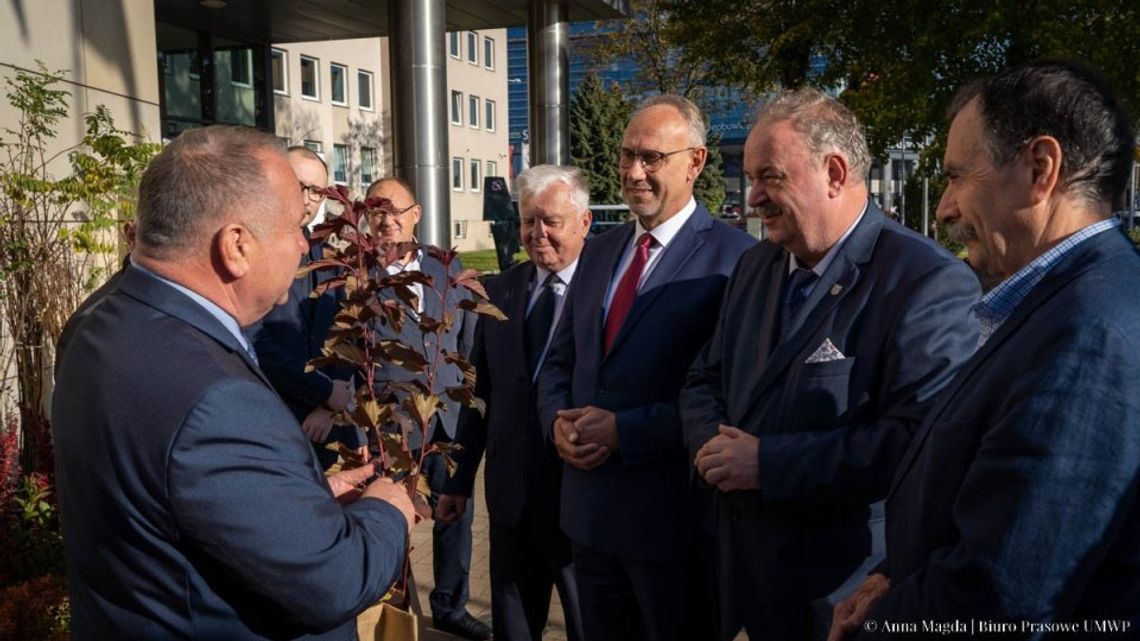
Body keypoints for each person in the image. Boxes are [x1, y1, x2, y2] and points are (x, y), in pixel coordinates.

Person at [52, 125, 415, 640]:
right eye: (295, 227)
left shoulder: (96, 324)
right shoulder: (216, 398)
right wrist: (387, 509)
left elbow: (178, 497)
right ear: (236, 246)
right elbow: (332, 582)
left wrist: (301, 501)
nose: (301, 245)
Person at [828, 61, 1140, 639]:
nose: (944, 208)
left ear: (1040, 169)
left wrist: (878, 625)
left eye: (956, 177)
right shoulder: (1062, 304)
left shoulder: (1086, 336)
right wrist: (894, 573)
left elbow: (999, 597)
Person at [679, 88, 980, 641]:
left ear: (835, 173)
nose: (751, 199)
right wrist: (712, 449)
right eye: (750, 178)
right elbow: (705, 376)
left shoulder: (924, 281)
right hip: (739, 575)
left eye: (769, 176)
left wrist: (768, 463)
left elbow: (918, 444)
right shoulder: (755, 266)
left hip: (840, 595)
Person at [536, 94, 757, 641]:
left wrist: (624, 431)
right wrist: (556, 423)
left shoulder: (735, 261)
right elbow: (559, 359)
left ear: (696, 162)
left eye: (652, 158)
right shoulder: (599, 251)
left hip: (673, 530)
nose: (634, 172)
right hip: (588, 522)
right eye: (627, 155)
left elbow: (727, 393)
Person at [438, 165, 590, 641]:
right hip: (510, 501)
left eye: (551, 221)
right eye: (527, 221)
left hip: (580, 500)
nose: (536, 234)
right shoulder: (501, 289)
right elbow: (478, 394)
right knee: (515, 626)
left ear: (584, 222)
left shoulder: (607, 291)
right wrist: (458, 482)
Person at [364, 176, 489, 640]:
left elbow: (472, 344)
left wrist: (472, 401)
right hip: (393, 423)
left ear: (416, 214)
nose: (387, 220)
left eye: (395, 210)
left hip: (450, 417)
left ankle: (451, 606)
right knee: (391, 516)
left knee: (457, 515)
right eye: (377, 212)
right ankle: (395, 606)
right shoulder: (359, 277)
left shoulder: (447, 267)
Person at [252, 146, 357, 470]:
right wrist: (323, 392)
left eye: (318, 191)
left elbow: (344, 334)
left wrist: (328, 408)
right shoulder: (252, 252)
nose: (309, 198)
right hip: (270, 422)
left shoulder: (329, 259)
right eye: (301, 186)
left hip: (323, 430)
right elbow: (253, 340)